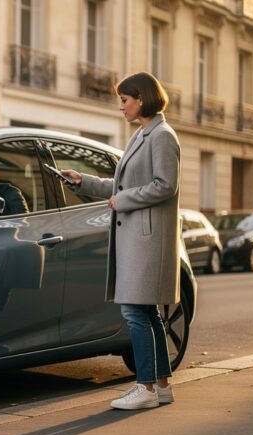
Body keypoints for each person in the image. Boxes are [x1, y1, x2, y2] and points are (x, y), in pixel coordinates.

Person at [60, 72, 181, 410]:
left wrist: (122, 201)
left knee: (134, 312)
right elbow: (121, 185)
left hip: (147, 239)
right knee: (146, 312)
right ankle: (161, 386)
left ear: (142, 98)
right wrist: (83, 181)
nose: (121, 107)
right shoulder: (142, 134)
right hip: (139, 237)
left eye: (125, 100)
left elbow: (165, 185)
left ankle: (145, 388)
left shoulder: (162, 136)